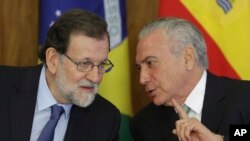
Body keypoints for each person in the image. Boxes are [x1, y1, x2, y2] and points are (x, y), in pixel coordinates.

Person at [0, 9, 120, 141]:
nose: (96, 78)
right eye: (85, 63)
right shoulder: (3, 86)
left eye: (102, 64)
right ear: (53, 60)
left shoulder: (105, 119)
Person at [130, 17, 250, 141]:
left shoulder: (245, 97)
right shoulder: (144, 124)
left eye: (150, 63)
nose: (142, 79)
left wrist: (219, 140)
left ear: (188, 58)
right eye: (139, 67)